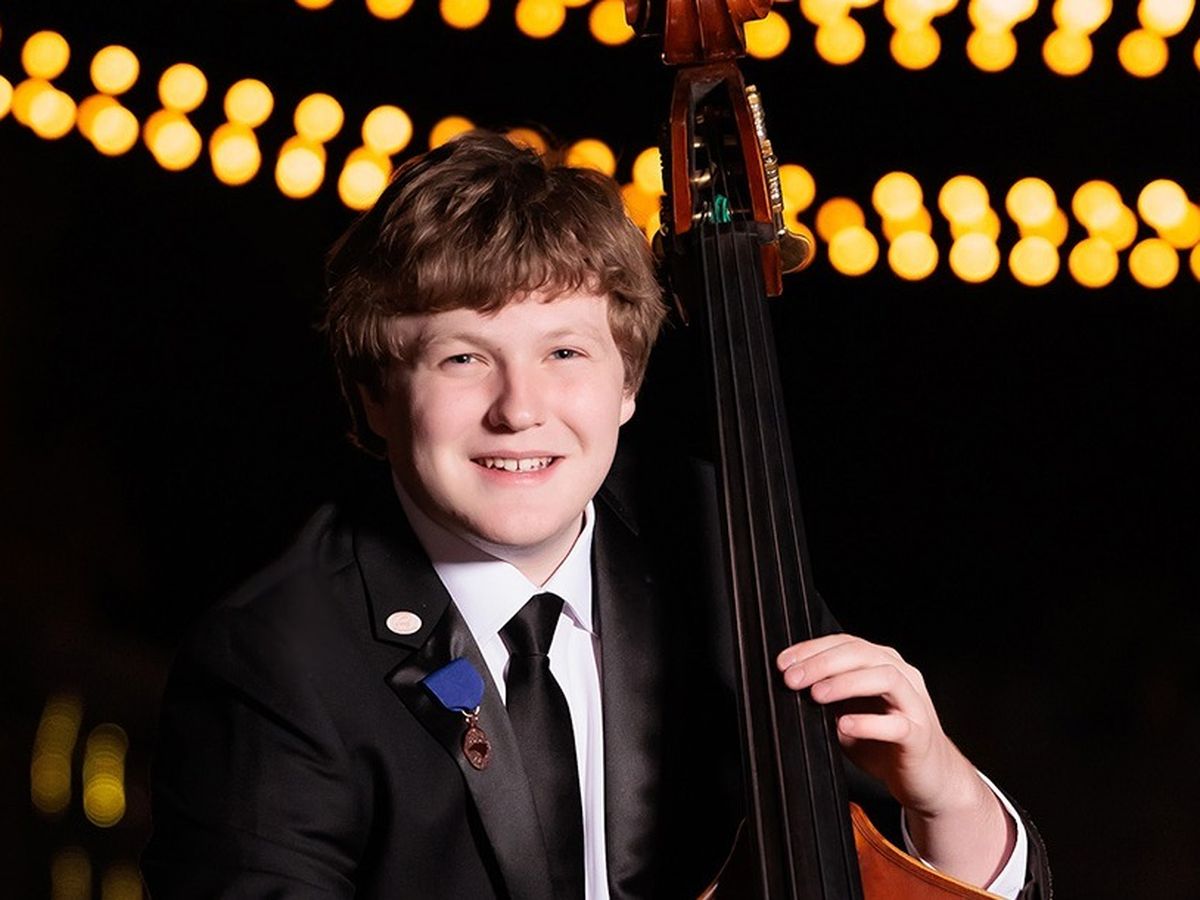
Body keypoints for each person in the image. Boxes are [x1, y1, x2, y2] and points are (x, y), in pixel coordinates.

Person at [141, 132, 1049, 898]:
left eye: (566, 352)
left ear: (628, 384)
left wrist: (944, 792)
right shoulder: (274, 660)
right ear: (376, 395)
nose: (520, 409)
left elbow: (872, 865)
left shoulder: (714, 540)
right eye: (463, 358)